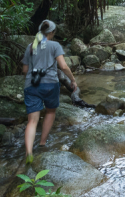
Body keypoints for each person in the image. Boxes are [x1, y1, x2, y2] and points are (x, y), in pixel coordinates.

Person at [21, 19, 81, 164]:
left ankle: (29, 152)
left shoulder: (30, 46)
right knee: (50, 112)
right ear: (52, 33)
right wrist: (72, 80)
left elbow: (24, 70)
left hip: (32, 85)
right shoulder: (55, 45)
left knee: (32, 121)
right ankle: (42, 143)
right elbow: (64, 66)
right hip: (50, 84)